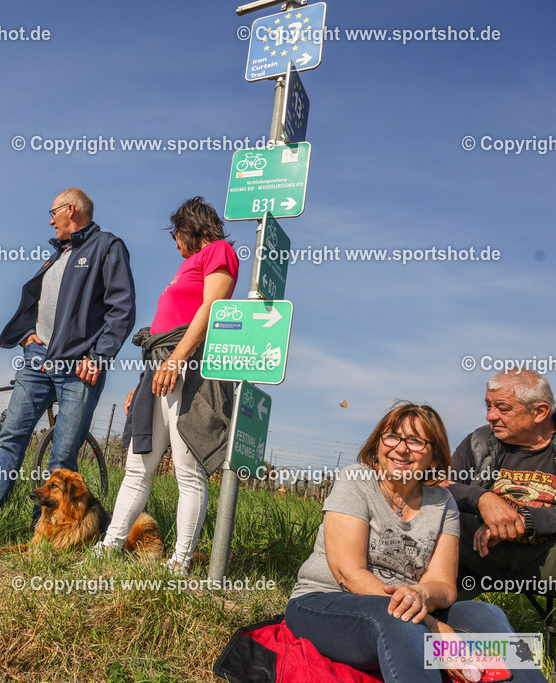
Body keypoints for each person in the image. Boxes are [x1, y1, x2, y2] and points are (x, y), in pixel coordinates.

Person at [285, 402, 544, 683]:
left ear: (434, 457)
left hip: (411, 606)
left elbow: (444, 586)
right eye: (392, 436)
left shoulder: (443, 502)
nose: (401, 448)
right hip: (328, 601)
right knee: (401, 620)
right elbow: (350, 576)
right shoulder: (355, 481)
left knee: (485, 614)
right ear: (378, 444)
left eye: (416, 441)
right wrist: (433, 626)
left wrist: (420, 595)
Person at [0, 189, 135, 527]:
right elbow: (36, 301)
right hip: (37, 359)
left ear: (71, 209)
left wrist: (99, 357)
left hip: (79, 367)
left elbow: (122, 309)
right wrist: (27, 337)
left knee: (62, 455)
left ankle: (42, 529)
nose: (50, 220)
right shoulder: (57, 255)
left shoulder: (107, 246)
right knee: (12, 436)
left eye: (53, 212)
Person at [91, 197, 238, 574]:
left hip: (188, 368)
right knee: (138, 467)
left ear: (189, 228)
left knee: (188, 472)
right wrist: (144, 381)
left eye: (176, 235)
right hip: (159, 369)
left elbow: (213, 308)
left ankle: (180, 561)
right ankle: (107, 548)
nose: (175, 245)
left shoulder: (218, 252)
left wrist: (177, 358)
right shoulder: (186, 266)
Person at [447, 369, 556, 597]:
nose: (490, 416)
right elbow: (441, 485)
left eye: (503, 408)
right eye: (488, 406)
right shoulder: (480, 441)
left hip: (547, 560)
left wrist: (523, 521)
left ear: (540, 412)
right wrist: (482, 499)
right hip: (483, 550)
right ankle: (439, 619)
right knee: (430, 515)